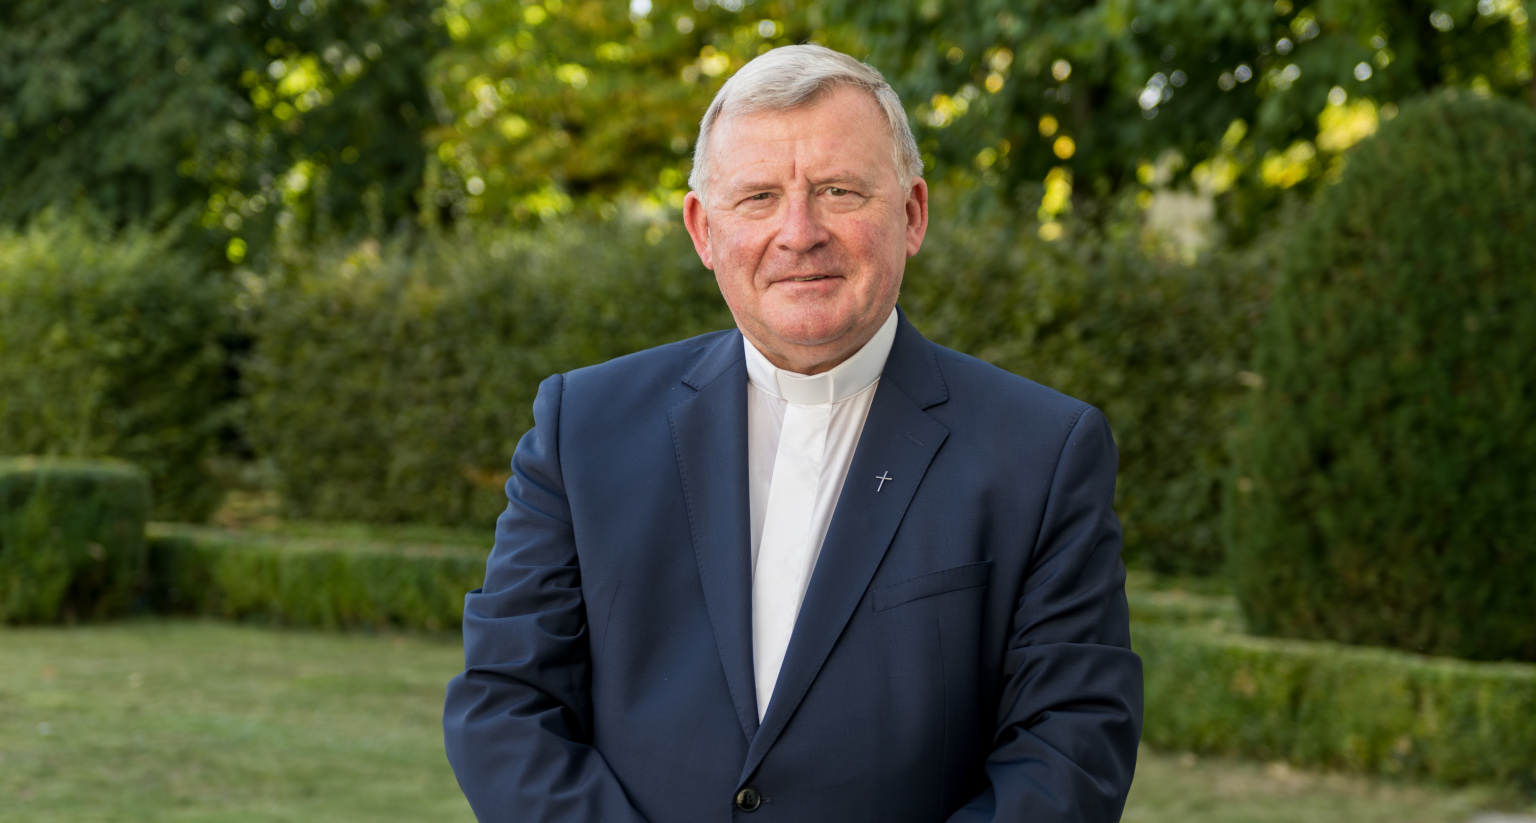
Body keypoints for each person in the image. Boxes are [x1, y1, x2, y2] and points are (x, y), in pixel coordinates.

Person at [442, 44, 1142, 822]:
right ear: (704, 230)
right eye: (759, 198)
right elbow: (506, 705)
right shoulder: (584, 427)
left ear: (911, 214)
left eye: (839, 190)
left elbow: (1069, 747)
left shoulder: (1042, 452)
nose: (799, 231)